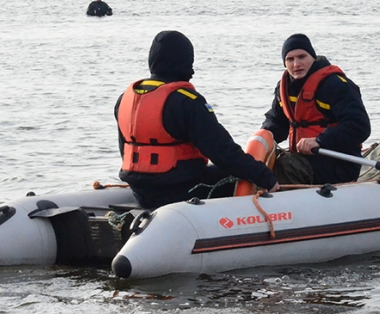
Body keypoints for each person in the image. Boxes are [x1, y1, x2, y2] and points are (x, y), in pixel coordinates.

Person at [115, 30, 278, 209]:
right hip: (181, 190)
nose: (192, 71)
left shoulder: (125, 100)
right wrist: (264, 177)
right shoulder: (186, 102)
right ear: (183, 62)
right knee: (238, 173)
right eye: (189, 63)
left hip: (140, 191)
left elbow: (125, 149)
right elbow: (224, 153)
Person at [261, 33, 371, 185]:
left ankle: (290, 205)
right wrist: (262, 138)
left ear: (312, 57)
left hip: (338, 161)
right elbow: (276, 122)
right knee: (258, 165)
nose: (296, 64)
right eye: (290, 59)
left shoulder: (335, 85)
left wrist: (320, 140)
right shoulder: (284, 87)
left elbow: (360, 126)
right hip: (303, 158)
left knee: (287, 165)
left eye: (302, 57)